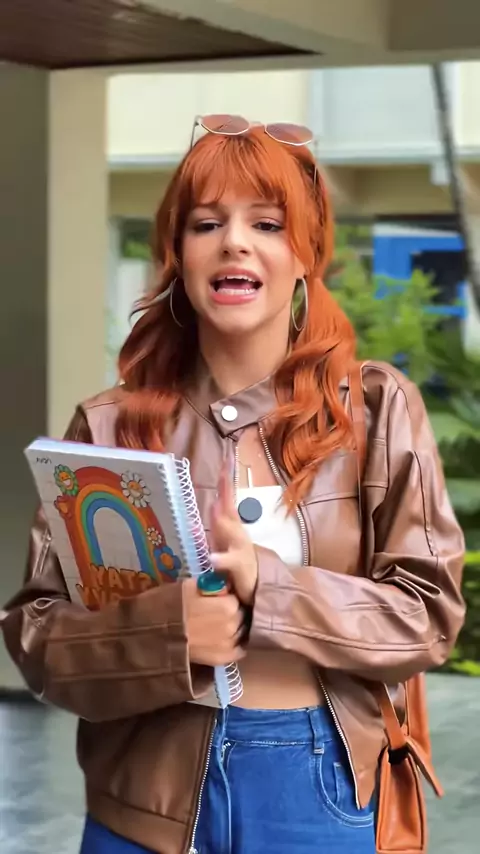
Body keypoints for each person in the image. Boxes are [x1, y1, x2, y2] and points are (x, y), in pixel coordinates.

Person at [1, 116, 465, 854]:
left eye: (268, 223)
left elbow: (428, 616)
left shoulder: (376, 411)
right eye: (207, 223)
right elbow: (37, 635)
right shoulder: (108, 424)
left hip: (317, 789)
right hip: (142, 793)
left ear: (305, 252)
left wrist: (269, 590)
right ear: (178, 254)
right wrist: (169, 631)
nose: (235, 243)